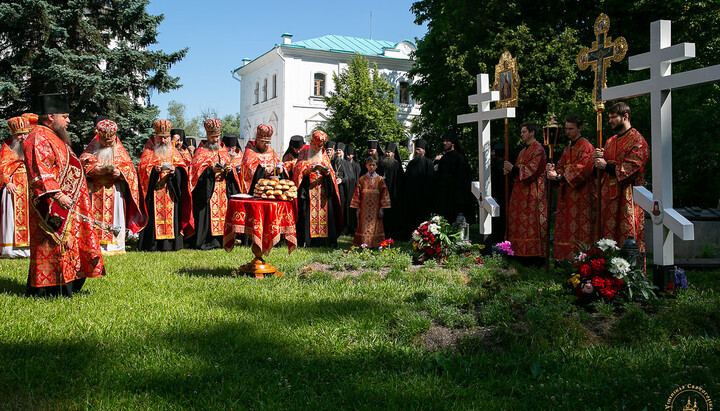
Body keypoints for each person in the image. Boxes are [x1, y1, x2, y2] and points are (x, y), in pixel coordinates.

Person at [23, 93, 105, 296]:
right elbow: (40, 169)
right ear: (51, 116)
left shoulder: (54, 136)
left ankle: (67, 284)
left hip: (68, 204)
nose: (68, 121)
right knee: (53, 245)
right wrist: (58, 195)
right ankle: (49, 289)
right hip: (51, 204)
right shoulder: (38, 136)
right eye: (65, 116)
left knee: (68, 246)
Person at [80, 119, 147, 255]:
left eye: (109, 143)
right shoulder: (92, 149)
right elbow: (82, 165)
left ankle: (115, 246)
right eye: (103, 142)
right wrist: (94, 171)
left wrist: (120, 173)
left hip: (114, 192)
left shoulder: (120, 150)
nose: (106, 145)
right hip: (95, 190)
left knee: (115, 217)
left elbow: (130, 170)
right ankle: (94, 245)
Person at [593, 102, 650, 252]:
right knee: (606, 233)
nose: (610, 120)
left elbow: (633, 168)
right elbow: (601, 166)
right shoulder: (610, 141)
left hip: (627, 196)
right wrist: (598, 158)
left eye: (613, 117)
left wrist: (606, 165)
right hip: (608, 196)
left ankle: (627, 271)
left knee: (626, 231)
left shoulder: (638, 140)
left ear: (625, 116)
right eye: (609, 117)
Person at [137, 119, 194, 251]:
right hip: (154, 192)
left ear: (169, 138)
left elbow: (183, 170)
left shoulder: (174, 151)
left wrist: (175, 171)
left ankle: (171, 244)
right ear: (155, 137)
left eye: (165, 138)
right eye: (160, 138)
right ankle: (153, 245)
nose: (163, 141)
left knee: (172, 215)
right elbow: (142, 169)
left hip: (171, 192)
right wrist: (153, 171)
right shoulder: (149, 149)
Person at [546, 114, 595, 260]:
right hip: (566, 194)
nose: (568, 132)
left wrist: (559, 176)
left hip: (581, 195)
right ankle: (563, 258)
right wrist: (554, 170)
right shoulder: (568, 148)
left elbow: (583, 169)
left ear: (579, 128)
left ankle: (580, 259)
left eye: (571, 129)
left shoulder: (586, 147)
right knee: (565, 226)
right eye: (566, 129)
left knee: (580, 227)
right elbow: (561, 166)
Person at [187, 118, 241, 250]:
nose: (216, 140)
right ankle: (207, 241)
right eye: (212, 137)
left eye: (217, 137)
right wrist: (210, 170)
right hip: (207, 191)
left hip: (223, 190)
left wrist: (229, 170)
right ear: (207, 135)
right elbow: (195, 174)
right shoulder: (200, 151)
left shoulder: (223, 150)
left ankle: (222, 240)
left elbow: (231, 168)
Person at [503, 121, 548, 261]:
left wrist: (513, 169)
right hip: (520, 192)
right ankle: (517, 252)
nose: (521, 134)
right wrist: (509, 172)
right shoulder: (523, 151)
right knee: (518, 222)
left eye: (524, 132)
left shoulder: (539, 149)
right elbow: (517, 171)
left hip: (533, 192)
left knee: (531, 223)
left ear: (532, 132)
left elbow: (531, 171)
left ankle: (533, 256)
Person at [292, 130, 343, 247]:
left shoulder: (324, 156)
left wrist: (327, 172)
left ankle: (324, 241)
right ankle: (307, 241)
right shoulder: (304, 153)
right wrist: (307, 171)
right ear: (311, 143)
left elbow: (332, 176)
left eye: (318, 147)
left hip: (323, 192)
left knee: (326, 216)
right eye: (314, 146)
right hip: (307, 191)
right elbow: (297, 170)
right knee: (306, 215)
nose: (316, 149)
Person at [0, 116, 33, 258]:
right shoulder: (8, 146)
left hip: (29, 185)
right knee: (12, 216)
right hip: (13, 185)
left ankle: (29, 249)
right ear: (14, 135)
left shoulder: (32, 145)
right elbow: (2, 166)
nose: (23, 137)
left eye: (25, 133)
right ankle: (10, 250)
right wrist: (7, 182)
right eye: (19, 134)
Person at [434, 130, 475, 225]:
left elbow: (462, 178)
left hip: (454, 193)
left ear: (452, 143)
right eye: (444, 140)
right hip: (443, 193)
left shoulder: (459, 158)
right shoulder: (444, 158)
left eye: (447, 141)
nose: (444, 143)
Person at [351, 156, 391, 247]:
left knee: (376, 225)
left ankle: (376, 244)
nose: (371, 167)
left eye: (373, 165)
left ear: (376, 166)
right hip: (364, 209)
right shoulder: (362, 179)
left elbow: (384, 194)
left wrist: (382, 209)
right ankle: (364, 244)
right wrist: (357, 208)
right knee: (364, 226)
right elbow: (357, 194)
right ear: (366, 166)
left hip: (376, 209)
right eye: (369, 165)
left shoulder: (380, 179)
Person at [402, 138, 435, 238]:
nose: (417, 151)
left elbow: (430, 180)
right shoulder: (411, 164)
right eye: (416, 149)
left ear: (424, 151)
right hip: (411, 195)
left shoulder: (428, 163)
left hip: (423, 196)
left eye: (419, 149)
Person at [239, 124, 284, 194]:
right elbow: (247, 172)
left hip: (271, 191)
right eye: (264, 142)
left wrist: (279, 170)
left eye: (268, 142)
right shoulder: (250, 152)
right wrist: (263, 171)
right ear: (257, 140)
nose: (266, 145)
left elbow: (279, 165)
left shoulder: (271, 152)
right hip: (255, 191)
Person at [382, 141, 404, 240]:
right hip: (382, 195)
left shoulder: (397, 166)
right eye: (386, 152)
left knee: (391, 215)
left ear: (393, 154)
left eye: (389, 152)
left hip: (392, 195)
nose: (387, 154)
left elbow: (400, 183)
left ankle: (392, 234)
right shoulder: (381, 165)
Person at [343, 144, 361, 234]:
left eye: (350, 154)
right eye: (347, 154)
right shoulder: (343, 164)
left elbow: (357, 179)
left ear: (353, 155)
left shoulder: (356, 166)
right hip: (346, 188)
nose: (348, 156)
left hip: (353, 189)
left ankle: (352, 226)